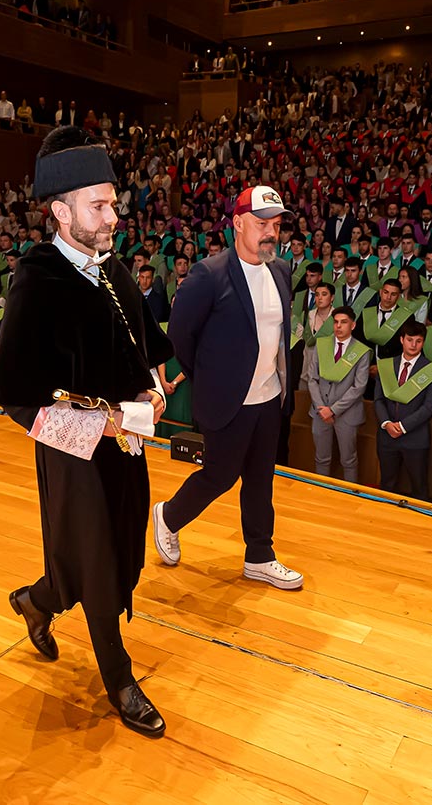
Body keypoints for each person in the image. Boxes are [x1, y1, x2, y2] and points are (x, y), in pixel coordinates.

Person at [0, 127, 173, 738]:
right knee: (93, 556)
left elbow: (142, 352)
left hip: (125, 444)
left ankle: (37, 602)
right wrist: (93, 425)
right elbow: (15, 394)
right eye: (99, 205)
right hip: (71, 451)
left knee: (110, 550)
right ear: (60, 211)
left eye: (113, 203)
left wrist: (150, 388)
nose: (113, 215)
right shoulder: (37, 278)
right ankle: (118, 677)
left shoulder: (114, 270)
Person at [154, 185, 304, 590]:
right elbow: (181, 336)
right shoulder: (209, 274)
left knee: (260, 477)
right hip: (228, 400)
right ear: (237, 224)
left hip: (268, 397)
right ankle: (167, 517)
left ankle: (260, 555)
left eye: (276, 224)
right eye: (261, 224)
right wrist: (208, 379)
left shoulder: (282, 271)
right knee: (219, 476)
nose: (271, 232)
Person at [373, 318, 432, 498]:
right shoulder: (387, 365)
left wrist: (402, 427)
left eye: (418, 341)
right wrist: (387, 423)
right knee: (387, 484)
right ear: (402, 339)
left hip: (415, 438)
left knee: (419, 487)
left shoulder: (431, 370)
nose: (414, 344)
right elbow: (378, 400)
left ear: (423, 343)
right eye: (410, 340)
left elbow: (429, 407)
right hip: (387, 436)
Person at [306, 306, 370, 481]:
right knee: (321, 458)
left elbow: (359, 386)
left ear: (353, 325)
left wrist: (333, 410)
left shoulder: (361, 351)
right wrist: (322, 408)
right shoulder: (322, 344)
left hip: (347, 414)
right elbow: (312, 378)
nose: (338, 326)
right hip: (320, 411)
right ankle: (321, 495)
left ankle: (348, 498)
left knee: (348, 460)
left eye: (343, 322)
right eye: (335, 322)